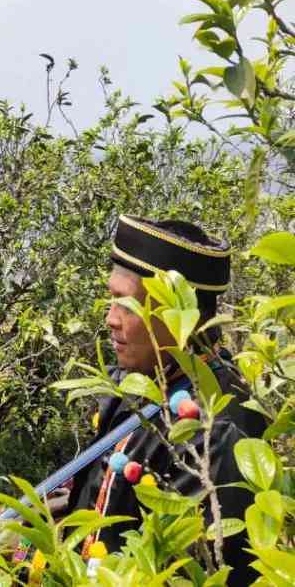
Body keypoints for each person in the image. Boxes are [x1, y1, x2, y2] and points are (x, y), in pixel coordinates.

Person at [29, 216, 265, 584]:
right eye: (111, 299)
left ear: (176, 314)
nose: (110, 319)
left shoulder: (213, 428)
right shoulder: (146, 383)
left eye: (128, 305)